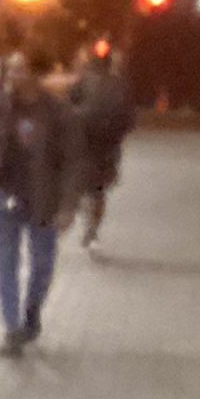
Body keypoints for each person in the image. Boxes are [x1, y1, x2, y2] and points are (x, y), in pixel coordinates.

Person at [0, 50, 87, 356]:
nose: (12, 76)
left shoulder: (59, 113)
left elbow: (73, 161)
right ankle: (11, 328)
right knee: (6, 262)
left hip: (43, 199)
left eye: (19, 70)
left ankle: (32, 311)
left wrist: (68, 205)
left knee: (42, 265)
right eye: (10, 70)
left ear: (36, 74)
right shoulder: (0, 106)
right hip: (6, 197)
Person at [65, 45, 134, 253]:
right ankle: (92, 230)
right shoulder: (120, 85)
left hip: (83, 143)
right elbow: (129, 118)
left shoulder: (82, 82)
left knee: (81, 187)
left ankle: (84, 218)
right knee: (99, 191)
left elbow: (67, 109)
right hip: (108, 146)